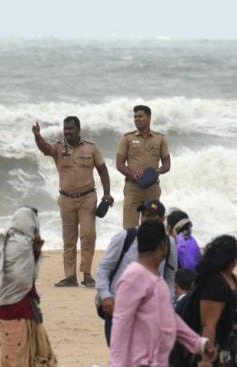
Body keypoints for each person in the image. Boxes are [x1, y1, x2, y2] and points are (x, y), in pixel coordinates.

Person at [108, 221, 215, 367]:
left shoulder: (157, 279)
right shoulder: (134, 276)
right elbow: (121, 324)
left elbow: (169, 317)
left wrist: (198, 343)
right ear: (162, 246)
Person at [32, 116, 114, 288]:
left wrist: (107, 193)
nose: (67, 131)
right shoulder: (58, 148)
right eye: (66, 128)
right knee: (69, 239)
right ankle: (70, 277)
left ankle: (87, 274)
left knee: (88, 235)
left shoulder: (91, 148)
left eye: (71, 128)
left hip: (87, 198)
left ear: (78, 129)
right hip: (66, 199)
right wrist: (38, 136)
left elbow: (102, 170)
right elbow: (45, 149)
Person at [0, 206, 57, 367]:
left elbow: (25, 274)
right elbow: (21, 278)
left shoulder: (12, 243)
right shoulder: (21, 245)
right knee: (18, 357)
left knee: (14, 355)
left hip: (14, 306)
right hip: (18, 308)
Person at [95, 199, 177, 346]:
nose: (145, 218)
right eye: (143, 214)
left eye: (151, 215)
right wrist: (105, 296)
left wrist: (168, 305)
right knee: (118, 351)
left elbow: (170, 277)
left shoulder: (168, 243)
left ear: (162, 219)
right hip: (117, 306)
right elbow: (104, 268)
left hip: (151, 309)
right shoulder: (126, 237)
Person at [187, 235, 237, 367]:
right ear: (231, 259)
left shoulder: (230, 278)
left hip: (233, 354)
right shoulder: (215, 284)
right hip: (219, 356)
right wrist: (206, 360)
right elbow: (208, 325)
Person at [116, 105, 171, 228]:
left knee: (153, 227)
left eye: (140, 116)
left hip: (152, 188)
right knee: (130, 229)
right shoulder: (127, 138)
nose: (137, 119)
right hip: (132, 188)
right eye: (135, 117)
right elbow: (119, 164)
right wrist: (133, 174)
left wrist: (158, 171)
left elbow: (167, 164)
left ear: (149, 118)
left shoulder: (159, 138)